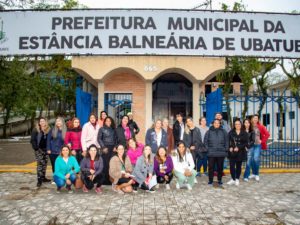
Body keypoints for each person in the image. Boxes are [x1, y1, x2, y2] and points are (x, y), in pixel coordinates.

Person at [204, 119, 229, 187]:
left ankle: (219, 180)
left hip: (221, 153)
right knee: (211, 168)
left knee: (220, 168)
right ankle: (210, 180)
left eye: (218, 123)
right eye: (215, 123)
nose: (217, 124)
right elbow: (205, 141)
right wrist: (207, 149)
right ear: (213, 124)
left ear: (220, 124)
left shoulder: (224, 132)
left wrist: (226, 149)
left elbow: (227, 141)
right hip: (211, 153)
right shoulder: (208, 132)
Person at [30, 117, 51, 187]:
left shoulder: (48, 129)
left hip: (46, 149)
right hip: (39, 150)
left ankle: (43, 177)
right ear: (39, 122)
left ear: (46, 122)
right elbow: (32, 140)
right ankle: (39, 180)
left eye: (43, 121)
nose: (42, 122)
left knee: (44, 164)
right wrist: (36, 148)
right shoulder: (36, 129)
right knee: (40, 164)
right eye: (41, 121)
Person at [227, 119, 248, 186]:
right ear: (234, 125)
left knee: (238, 166)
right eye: (236, 124)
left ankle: (237, 179)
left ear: (241, 124)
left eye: (238, 124)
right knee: (231, 166)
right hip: (232, 152)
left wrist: (238, 147)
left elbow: (245, 143)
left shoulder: (244, 133)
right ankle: (233, 179)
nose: (237, 125)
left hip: (240, 152)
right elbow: (228, 141)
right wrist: (230, 147)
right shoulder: (231, 132)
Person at [97, 116, 117, 185]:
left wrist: (115, 146)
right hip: (105, 148)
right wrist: (103, 147)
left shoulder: (114, 129)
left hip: (112, 148)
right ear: (104, 122)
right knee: (104, 164)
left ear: (111, 122)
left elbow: (116, 139)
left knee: (111, 164)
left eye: (109, 121)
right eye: (107, 121)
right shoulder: (101, 129)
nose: (108, 122)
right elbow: (99, 139)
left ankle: (110, 180)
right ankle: (104, 180)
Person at [250, 114, 270, 181]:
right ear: (252, 119)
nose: (255, 119)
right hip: (251, 145)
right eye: (254, 118)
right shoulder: (249, 126)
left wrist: (262, 141)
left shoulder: (261, 126)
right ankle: (253, 173)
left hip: (258, 145)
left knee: (256, 158)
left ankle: (257, 174)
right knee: (252, 159)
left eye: (257, 118)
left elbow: (267, 134)